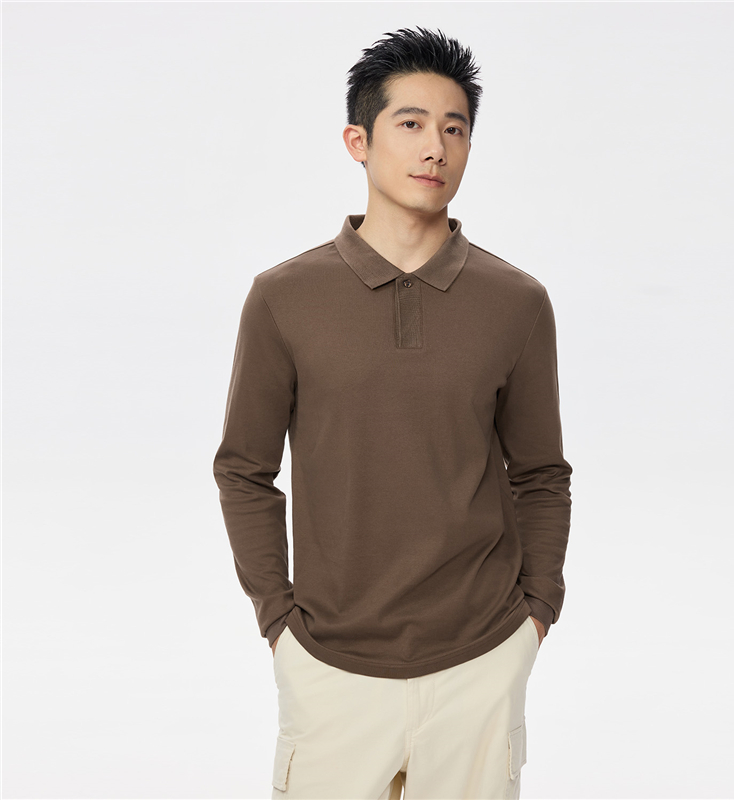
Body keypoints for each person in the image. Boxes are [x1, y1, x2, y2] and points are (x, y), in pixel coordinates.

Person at [212, 25, 572, 800]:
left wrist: (536, 614)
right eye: (410, 123)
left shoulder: (516, 302)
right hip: (331, 669)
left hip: (480, 663)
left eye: (455, 128)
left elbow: (541, 474)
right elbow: (244, 471)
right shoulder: (284, 298)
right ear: (359, 141)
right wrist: (278, 623)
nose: (435, 147)